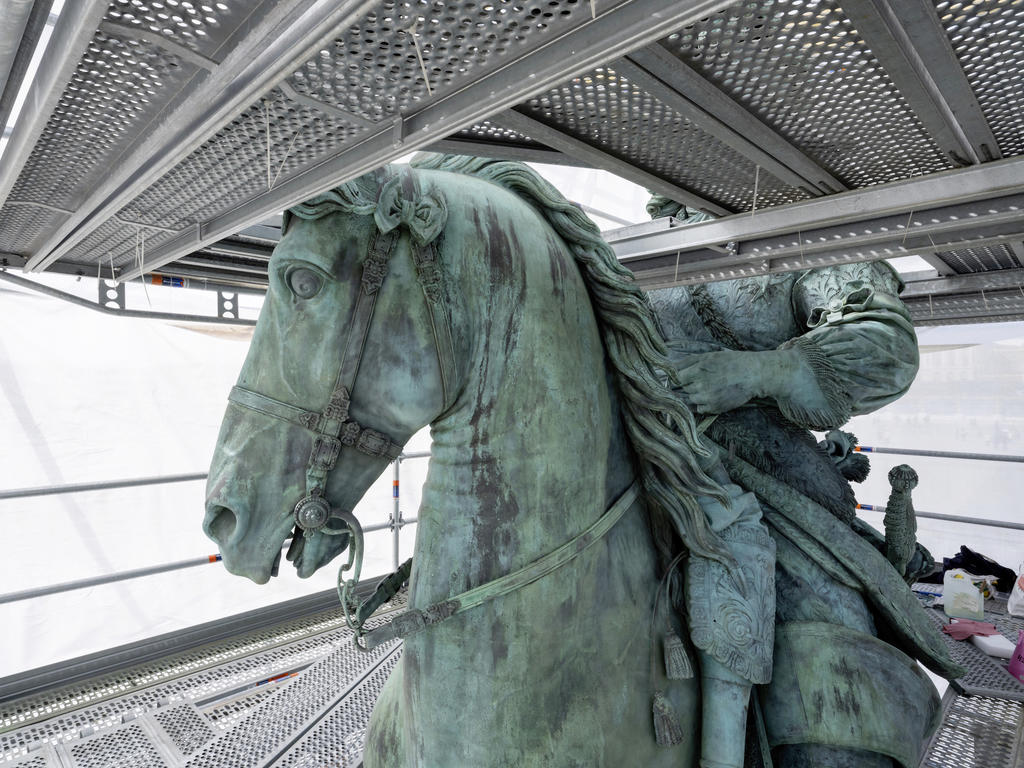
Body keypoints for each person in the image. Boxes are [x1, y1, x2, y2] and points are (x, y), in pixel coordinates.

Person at [646, 194, 961, 768]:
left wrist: (757, 372)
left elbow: (884, 341)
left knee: (824, 685)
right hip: (636, 457)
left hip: (768, 486)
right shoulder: (623, 258)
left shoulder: (801, 234)